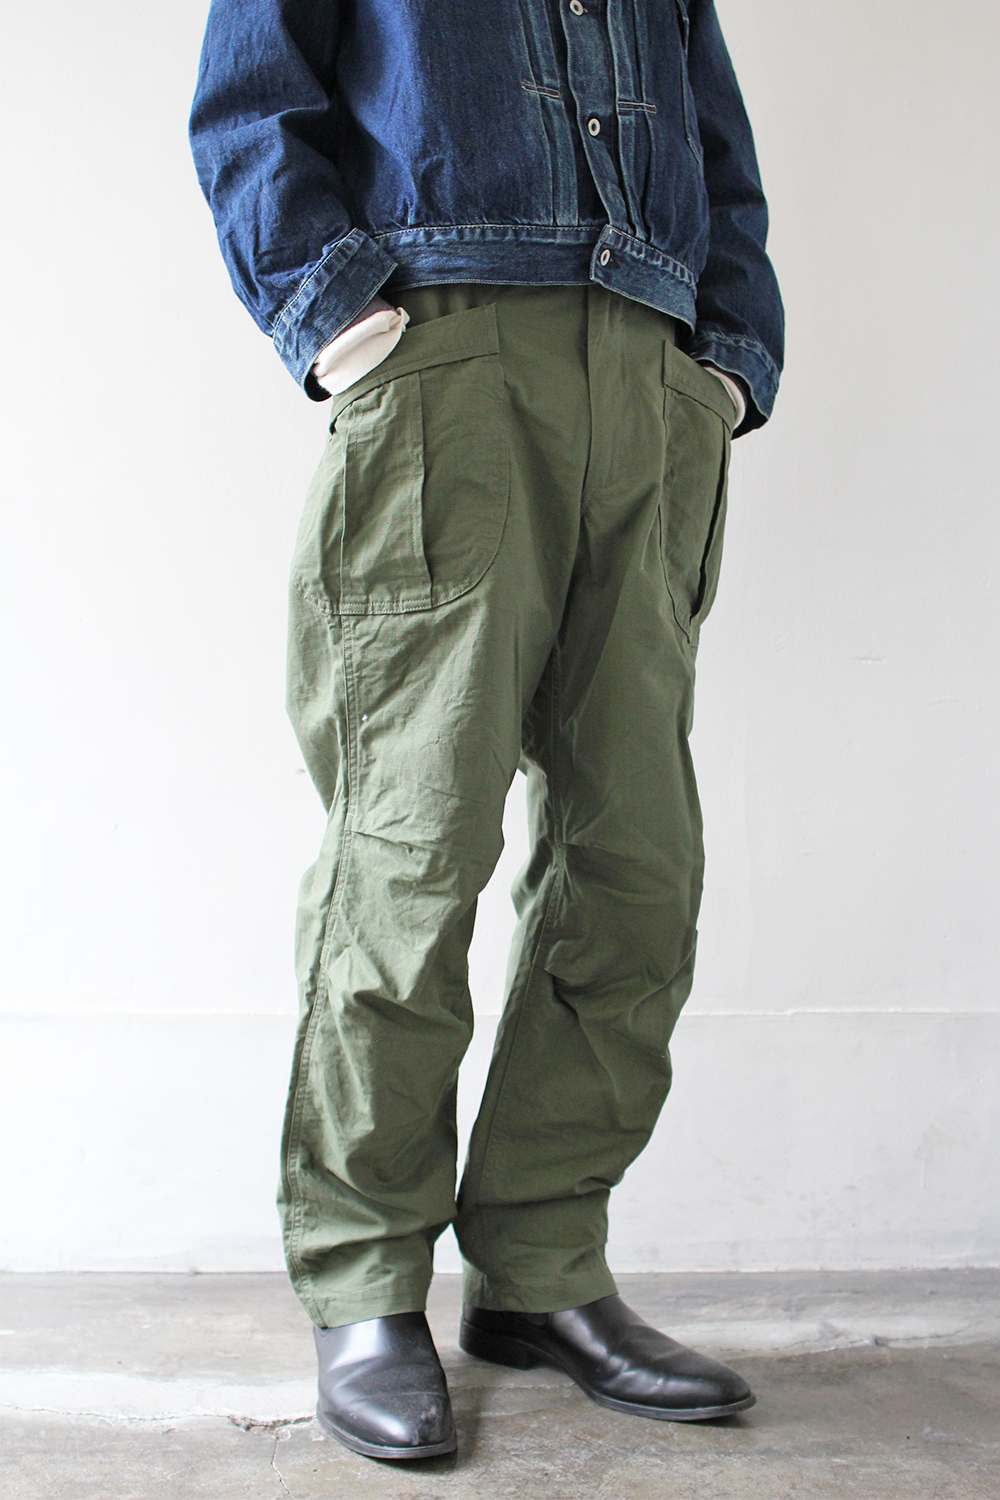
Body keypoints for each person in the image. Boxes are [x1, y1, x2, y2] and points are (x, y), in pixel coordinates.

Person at [190, 0, 783, 1462]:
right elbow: (251, 104)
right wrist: (343, 322)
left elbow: (720, 151)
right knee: (411, 853)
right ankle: (365, 1281)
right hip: (449, 365)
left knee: (636, 868)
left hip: (650, 387)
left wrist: (723, 368)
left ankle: (541, 1269)